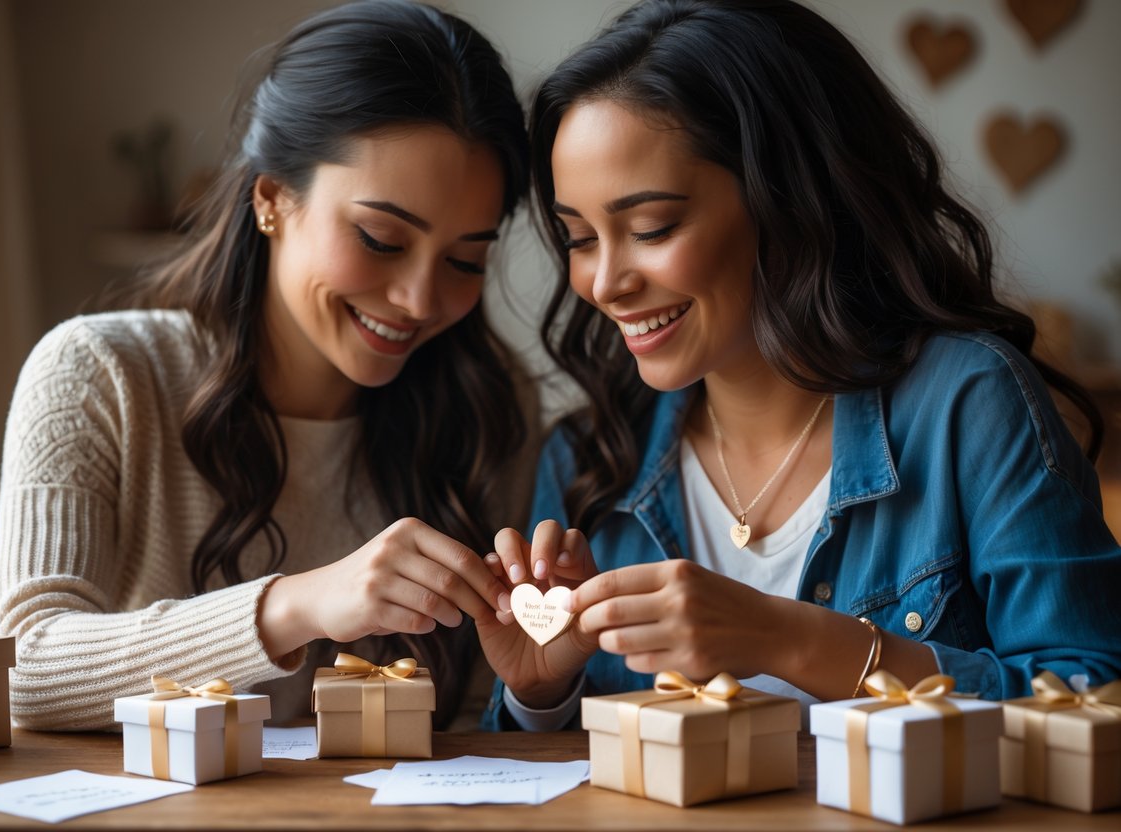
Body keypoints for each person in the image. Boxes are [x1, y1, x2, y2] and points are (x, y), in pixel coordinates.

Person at [480, 0, 1121, 731]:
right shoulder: (589, 457)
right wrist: (539, 691)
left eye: (650, 227)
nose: (603, 282)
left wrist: (788, 640)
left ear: (788, 200)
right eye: (579, 237)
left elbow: (1090, 697)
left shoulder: (965, 402)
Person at [0, 0, 537, 730]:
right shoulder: (99, 373)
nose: (417, 299)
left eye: (466, 259)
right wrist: (299, 604)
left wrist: (537, 680)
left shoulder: (489, 407)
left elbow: (478, 719)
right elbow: (24, 670)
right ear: (272, 199)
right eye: (380, 238)